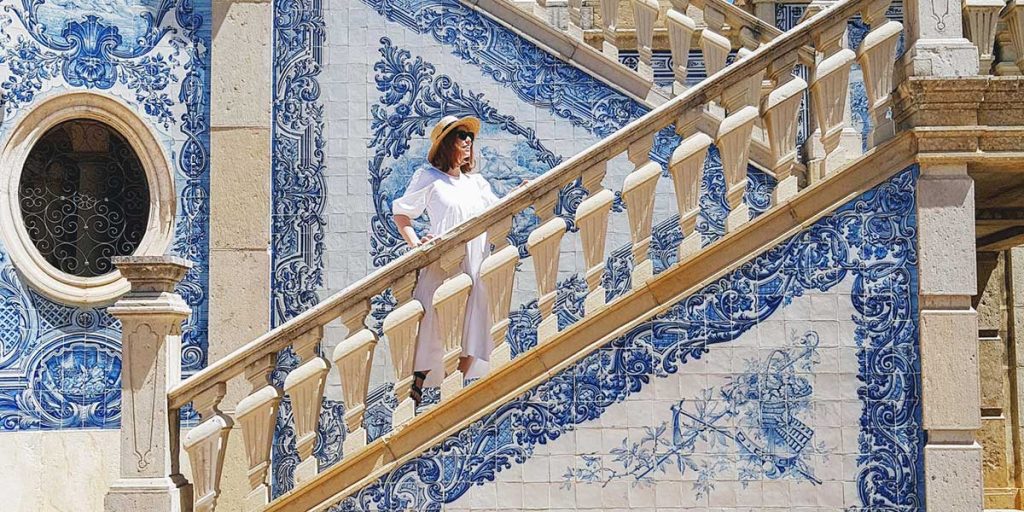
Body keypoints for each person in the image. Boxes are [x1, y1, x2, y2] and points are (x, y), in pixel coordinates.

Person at [392, 115, 500, 404]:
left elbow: (499, 210)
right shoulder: (430, 178)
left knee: (473, 320)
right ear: (445, 144)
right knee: (436, 319)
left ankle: (457, 384)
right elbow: (402, 213)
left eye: (470, 137)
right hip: (444, 262)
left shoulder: (477, 183)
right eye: (460, 135)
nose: (467, 141)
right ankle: (419, 379)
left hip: (475, 262)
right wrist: (416, 244)